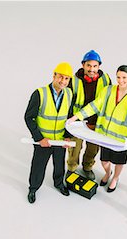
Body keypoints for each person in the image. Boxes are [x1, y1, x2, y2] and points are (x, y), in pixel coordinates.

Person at [67, 65, 127, 193]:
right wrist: (75, 117)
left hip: (121, 140)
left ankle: (115, 178)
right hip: (105, 137)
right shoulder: (108, 90)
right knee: (104, 161)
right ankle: (108, 173)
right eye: (118, 77)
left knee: (119, 163)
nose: (121, 80)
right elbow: (94, 106)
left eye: (124, 77)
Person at [24, 62, 74, 204]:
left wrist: (67, 137)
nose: (63, 81)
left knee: (59, 165)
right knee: (38, 166)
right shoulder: (39, 93)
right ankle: (33, 188)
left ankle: (59, 184)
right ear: (54, 76)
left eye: (66, 79)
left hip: (59, 140)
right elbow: (28, 117)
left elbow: (69, 118)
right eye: (60, 77)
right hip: (43, 141)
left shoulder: (69, 94)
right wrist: (39, 138)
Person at [66, 50, 112, 180]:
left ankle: (87, 167)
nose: (92, 69)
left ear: (99, 66)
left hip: (96, 122)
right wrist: (70, 122)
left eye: (95, 66)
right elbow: (68, 102)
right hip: (77, 122)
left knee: (93, 149)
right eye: (89, 66)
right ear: (83, 65)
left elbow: (108, 100)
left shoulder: (105, 79)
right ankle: (71, 169)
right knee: (75, 148)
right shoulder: (73, 80)